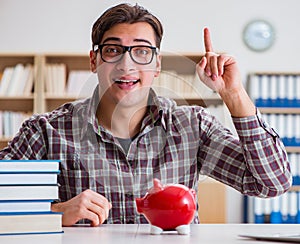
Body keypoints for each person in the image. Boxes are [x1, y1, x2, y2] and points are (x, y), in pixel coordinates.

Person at [0, 3, 292, 226]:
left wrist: (233, 94)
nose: (126, 65)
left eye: (141, 51)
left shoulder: (193, 126)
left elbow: (272, 183)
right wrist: (53, 213)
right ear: (94, 61)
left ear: (156, 64)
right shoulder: (46, 131)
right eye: (113, 50)